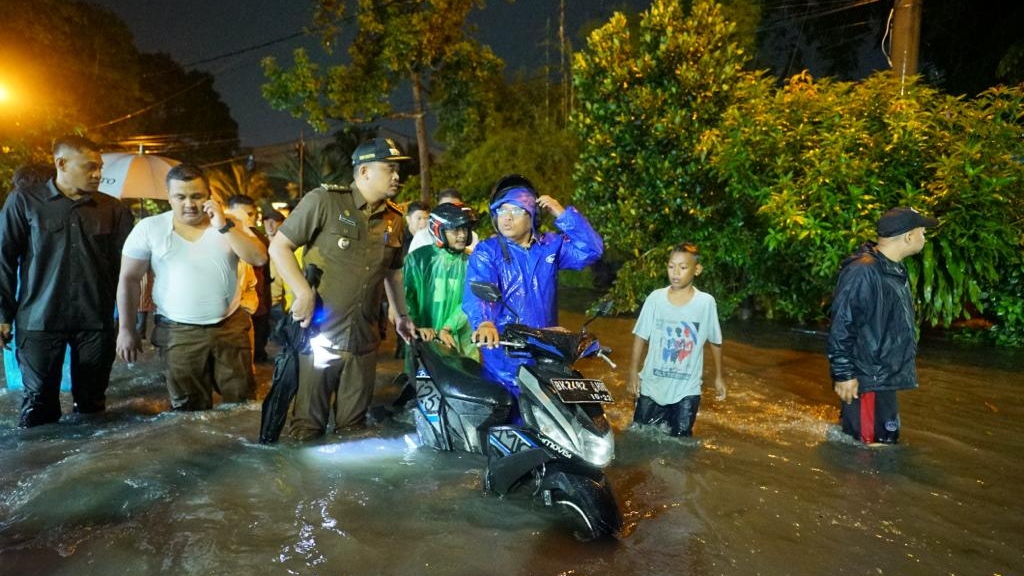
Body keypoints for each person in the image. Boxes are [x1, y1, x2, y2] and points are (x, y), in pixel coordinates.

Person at [268, 137, 416, 441]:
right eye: (389, 169)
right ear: (363, 172)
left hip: (363, 339)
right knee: (307, 427)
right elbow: (279, 246)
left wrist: (401, 315)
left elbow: (393, 274)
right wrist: (303, 293)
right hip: (320, 335)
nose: (397, 177)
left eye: (398, 170)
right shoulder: (324, 202)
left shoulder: (395, 219)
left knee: (354, 429)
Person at [0, 136, 134, 427]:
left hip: (95, 321)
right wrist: (3, 315)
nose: (98, 174)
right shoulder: (24, 201)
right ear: (61, 163)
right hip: (39, 320)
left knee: (92, 406)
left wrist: (127, 324)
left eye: (100, 167)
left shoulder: (114, 210)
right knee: (39, 405)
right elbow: (4, 260)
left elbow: (126, 272)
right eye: (90, 167)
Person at [115, 163, 268, 410]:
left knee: (242, 404)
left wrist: (224, 226)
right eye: (181, 197)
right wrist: (126, 329)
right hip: (177, 332)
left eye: (197, 196)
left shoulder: (231, 222)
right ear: (169, 197)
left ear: (209, 196)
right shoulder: (149, 228)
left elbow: (259, 258)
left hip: (230, 327)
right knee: (188, 411)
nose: (190, 204)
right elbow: (128, 279)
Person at [462, 174, 603, 396]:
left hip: (546, 347)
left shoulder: (551, 245)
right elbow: (479, 289)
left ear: (532, 215)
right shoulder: (488, 251)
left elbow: (591, 250)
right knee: (508, 417)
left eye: (515, 211)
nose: (506, 218)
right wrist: (484, 322)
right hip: (505, 353)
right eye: (501, 211)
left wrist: (563, 213)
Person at [826, 207, 939, 445]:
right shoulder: (864, 270)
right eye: (922, 232)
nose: (924, 238)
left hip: (883, 378)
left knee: (885, 444)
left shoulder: (893, 269)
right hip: (869, 380)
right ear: (909, 236)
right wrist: (844, 374)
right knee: (869, 453)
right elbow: (842, 324)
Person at [627, 242, 726, 437]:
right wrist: (632, 372)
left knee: (680, 443)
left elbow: (715, 341)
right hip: (652, 385)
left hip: (687, 389)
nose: (675, 273)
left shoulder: (705, 303)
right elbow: (640, 336)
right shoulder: (655, 299)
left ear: (696, 270)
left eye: (683, 267)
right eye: (671, 266)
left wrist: (719, 377)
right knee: (640, 437)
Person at [404, 201, 479, 360]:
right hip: (423, 339)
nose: (462, 235)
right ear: (439, 230)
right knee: (422, 381)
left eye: (465, 228)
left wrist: (448, 327)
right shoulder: (418, 259)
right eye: (455, 229)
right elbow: (406, 297)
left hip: (461, 343)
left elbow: (471, 300)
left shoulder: (473, 262)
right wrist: (417, 327)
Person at [226, 194, 272, 362]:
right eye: (241, 214)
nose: (246, 218)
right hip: (232, 307)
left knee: (256, 348)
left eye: (250, 214)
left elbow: (266, 275)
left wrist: (267, 301)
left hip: (257, 302)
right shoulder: (220, 237)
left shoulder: (259, 240)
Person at [408, 188, 478, 253]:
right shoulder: (422, 237)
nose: (450, 212)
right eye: (445, 208)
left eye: (455, 208)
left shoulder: (472, 236)